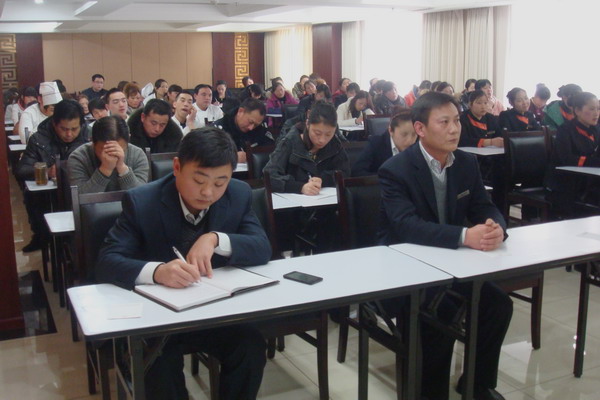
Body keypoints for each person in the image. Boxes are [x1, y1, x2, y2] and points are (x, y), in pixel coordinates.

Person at [96, 127, 270, 400]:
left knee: (250, 346)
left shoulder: (238, 194)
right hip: (161, 318)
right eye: (199, 180)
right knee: (159, 366)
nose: (208, 192)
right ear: (177, 167)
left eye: (220, 182)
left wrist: (215, 238)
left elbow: (262, 247)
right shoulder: (143, 201)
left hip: (215, 311)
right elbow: (107, 261)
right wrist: (158, 272)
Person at [378, 91, 512, 400]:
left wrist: (496, 228)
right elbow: (406, 226)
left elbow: (484, 206)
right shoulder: (395, 169)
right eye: (444, 122)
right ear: (421, 129)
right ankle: (430, 393)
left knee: (497, 305)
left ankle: (477, 384)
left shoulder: (465, 162)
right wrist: (465, 236)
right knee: (440, 312)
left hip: (451, 262)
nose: (454, 129)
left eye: (457, 121)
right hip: (404, 265)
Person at [16, 99, 90, 252]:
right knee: (34, 197)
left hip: (80, 189)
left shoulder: (89, 136)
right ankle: (41, 236)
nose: (69, 134)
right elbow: (21, 170)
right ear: (54, 123)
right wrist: (46, 171)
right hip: (48, 196)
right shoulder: (38, 138)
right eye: (64, 129)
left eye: (74, 129)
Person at [264, 100, 349, 194]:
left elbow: (345, 173)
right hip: (293, 201)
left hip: (325, 199)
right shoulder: (290, 142)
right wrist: (300, 187)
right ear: (308, 124)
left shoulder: (335, 145)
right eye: (317, 133)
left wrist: (322, 179)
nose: (322, 140)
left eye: (328, 134)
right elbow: (269, 176)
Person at [547, 92, 600, 218]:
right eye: (592, 109)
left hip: (590, 181)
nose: (596, 113)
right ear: (577, 111)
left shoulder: (596, 129)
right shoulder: (565, 130)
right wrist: (595, 162)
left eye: (598, 109)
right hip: (568, 184)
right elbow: (567, 159)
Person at [68, 116, 148, 194]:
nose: (113, 156)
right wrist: (105, 169)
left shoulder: (138, 155)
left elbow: (141, 196)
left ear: (128, 140)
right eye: (106, 151)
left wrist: (123, 169)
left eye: (119, 150)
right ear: (93, 142)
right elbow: (79, 198)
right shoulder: (78, 158)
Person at [351, 109, 416, 176]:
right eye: (404, 134)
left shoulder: (419, 144)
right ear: (390, 130)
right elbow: (357, 172)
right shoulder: (376, 144)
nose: (410, 140)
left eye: (414, 134)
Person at [214, 98, 272, 162]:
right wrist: (231, 158)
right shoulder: (218, 130)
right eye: (250, 122)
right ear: (240, 111)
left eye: (256, 125)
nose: (251, 128)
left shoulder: (260, 130)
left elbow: (271, 150)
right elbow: (209, 155)